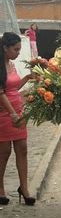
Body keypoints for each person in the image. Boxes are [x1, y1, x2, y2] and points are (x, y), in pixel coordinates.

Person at [0, 32, 36, 205]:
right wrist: (11, 112)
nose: (18, 53)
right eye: (15, 49)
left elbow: (14, 87)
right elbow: (1, 92)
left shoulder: (12, 64)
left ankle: (24, 187)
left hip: (18, 111)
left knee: (22, 149)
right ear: (5, 48)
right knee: (4, 153)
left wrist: (27, 78)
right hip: (4, 114)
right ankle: (0, 188)